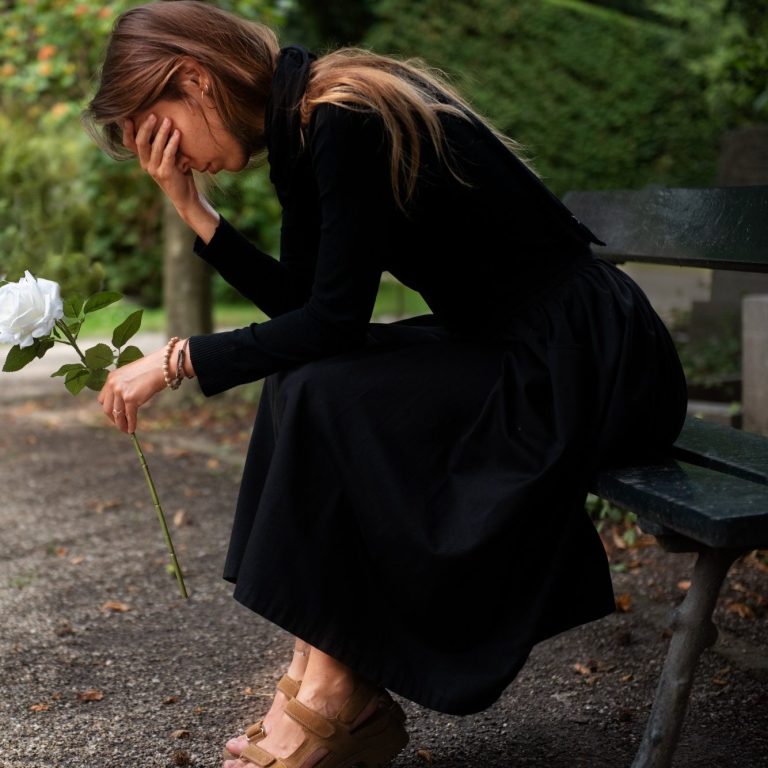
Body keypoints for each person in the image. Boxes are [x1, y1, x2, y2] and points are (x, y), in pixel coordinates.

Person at [84, 2, 688, 766]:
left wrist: (178, 360)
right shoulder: (306, 127)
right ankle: (320, 679)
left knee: (326, 391)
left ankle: (337, 694)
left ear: (195, 79)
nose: (169, 156)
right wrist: (191, 208)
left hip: (587, 359)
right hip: (513, 342)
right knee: (305, 382)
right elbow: (303, 311)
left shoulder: (346, 117)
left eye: (160, 130)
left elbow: (333, 321)